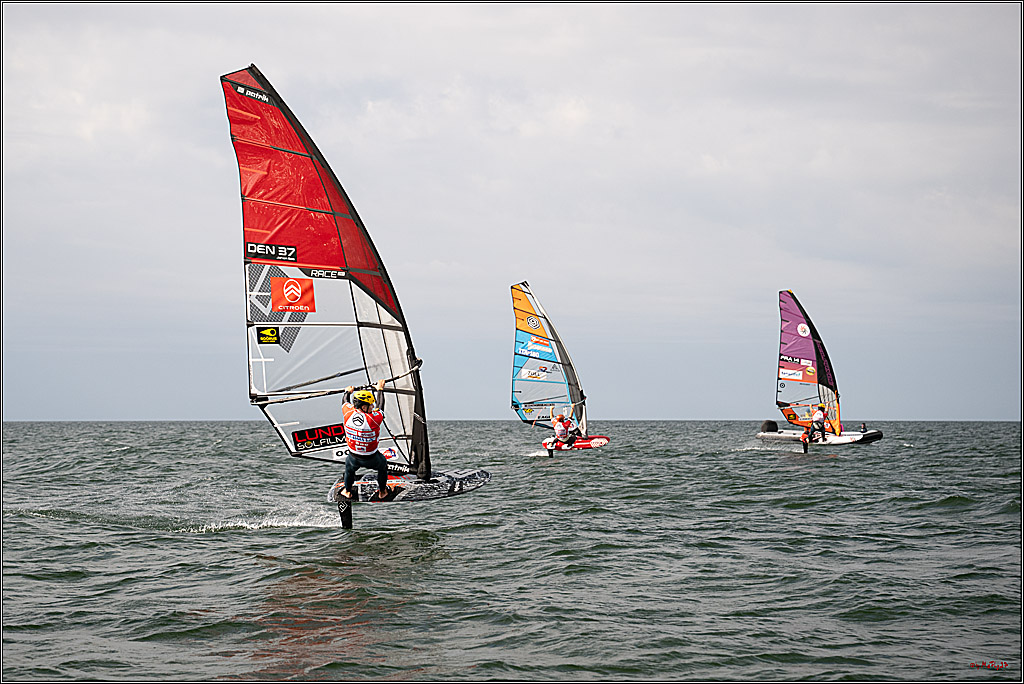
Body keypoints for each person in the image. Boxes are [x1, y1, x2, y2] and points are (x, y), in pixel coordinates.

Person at [337, 379, 390, 501]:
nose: (373, 406)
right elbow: (381, 406)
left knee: (349, 470)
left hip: (353, 457)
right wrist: (380, 389)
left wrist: (347, 392)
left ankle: (347, 491)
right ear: (364, 407)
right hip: (372, 458)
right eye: (371, 405)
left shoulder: (347, 413)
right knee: (383, 467)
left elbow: (344, 401)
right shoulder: (374, 419)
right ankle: (382, 492)